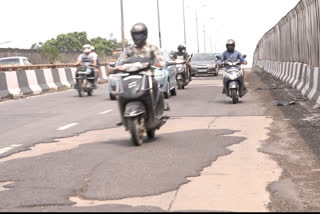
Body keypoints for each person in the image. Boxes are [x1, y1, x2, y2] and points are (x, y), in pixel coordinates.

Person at [117, 23, 168, 125]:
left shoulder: (152, 47)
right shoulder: (129, 50)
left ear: (145, 35)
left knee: (154, 86)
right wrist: (115, 68)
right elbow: (121, 62)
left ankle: (156, 113)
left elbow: (161, 62)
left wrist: (156, 64)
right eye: (135, 35)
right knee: (120, 93)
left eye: (139, 34)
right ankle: (124, 118)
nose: (137, 37)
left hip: (147, 76)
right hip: (131, 76)